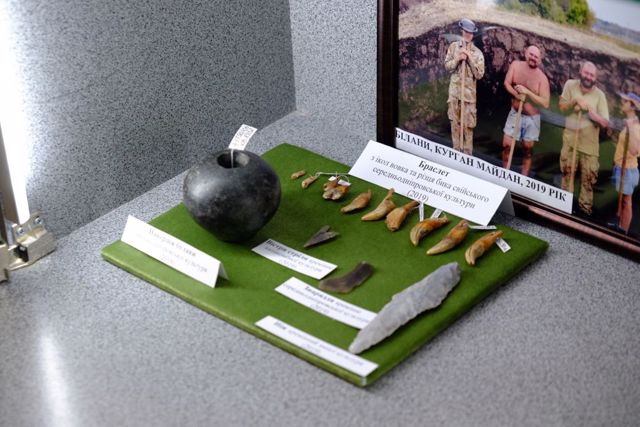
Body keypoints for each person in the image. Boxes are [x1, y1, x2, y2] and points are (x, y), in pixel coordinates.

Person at [558, 61, 609, 216]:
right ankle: (563, 210)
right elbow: (561, 108)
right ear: (581, 72)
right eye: (586, 73)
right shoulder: (570, 85)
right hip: (570, 143)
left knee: (588, 183)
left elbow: (605, 123)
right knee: (567, 177)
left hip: (589, 148)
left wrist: (592, 114)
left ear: (596, 78)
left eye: (592, 75)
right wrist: (575, 101)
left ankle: (584, 215)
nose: (588, 77)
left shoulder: (600, 96)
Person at [501, 45, 550, 176]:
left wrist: (528, 93)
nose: (533, 58)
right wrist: (516, 94)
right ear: (526, 53)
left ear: (540, 60)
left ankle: (523, 178)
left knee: (527, 150)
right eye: (531, 54)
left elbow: (545, 103)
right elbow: (507, 83)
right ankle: (504, 173)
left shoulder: (542, 78)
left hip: (532, 119)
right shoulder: (516, 65)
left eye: (536, 57)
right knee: (507, 145)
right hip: (515, 113)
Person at [444, 18, 485, 155]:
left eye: (470, 33)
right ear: (462, 31)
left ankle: (467, 156)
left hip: (468, 97)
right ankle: (455, 153)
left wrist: (469, 58)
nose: (468, 34)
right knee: (455, 124)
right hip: (455, 94)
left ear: (473, 34)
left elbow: (479, 75)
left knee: (468, 127)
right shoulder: (453, 47)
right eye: (466, 31)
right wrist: (458, 59)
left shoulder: (478, 53)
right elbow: (447, 66)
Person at [612, 92, 640, 234]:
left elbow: (635, 150)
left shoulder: (636, 126)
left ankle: (624, 232)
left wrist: (630, 128)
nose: (622, 103)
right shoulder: (629, 123)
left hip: (628, 169)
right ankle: (620, 228)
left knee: (626, 201)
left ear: (632, 106)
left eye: (625, 102)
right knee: (623, 200)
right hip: (621, 167)